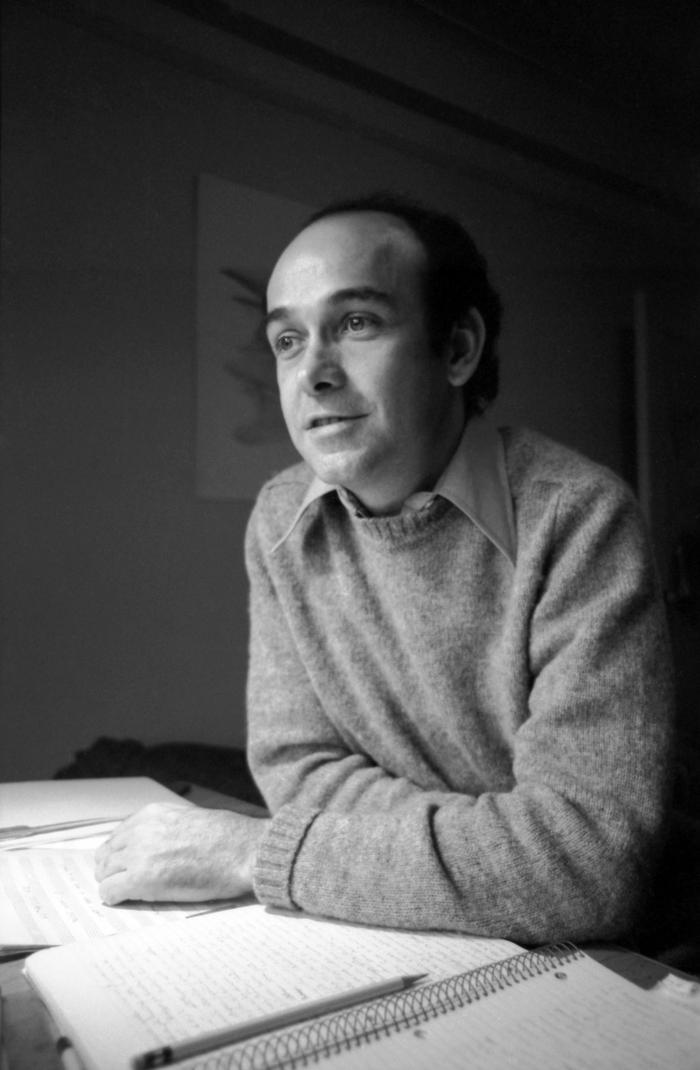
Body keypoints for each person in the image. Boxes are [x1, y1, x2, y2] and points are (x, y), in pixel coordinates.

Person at [95, 193, 674, 947]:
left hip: (610, 968)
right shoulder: (278, 522)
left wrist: (258, 852)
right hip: (400, 938)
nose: (313, 375)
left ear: (459, 349)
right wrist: (495, 855)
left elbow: (582, 869)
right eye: (287, 341)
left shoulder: (582, 517)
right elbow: (295, 768)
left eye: (357, 324)